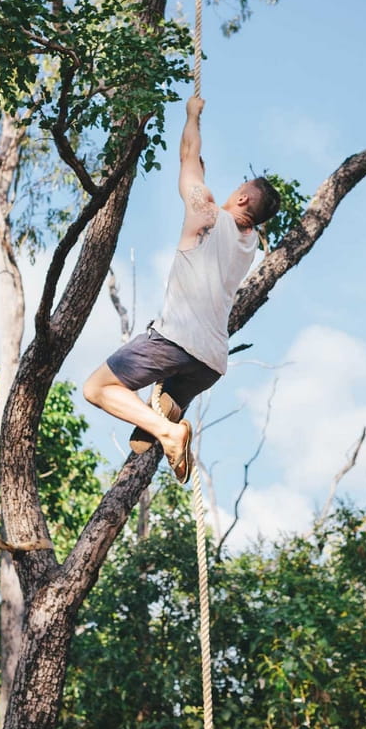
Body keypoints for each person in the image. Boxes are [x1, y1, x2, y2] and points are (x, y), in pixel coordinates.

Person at [83, 96, 280, 483]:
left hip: (175, 340)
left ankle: (168, 430)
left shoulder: (205, 213)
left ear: (241, 197)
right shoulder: (249, 243)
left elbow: (188, 155)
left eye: (239, 187)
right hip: (210, 363)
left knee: (97, 387)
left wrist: (192, 115)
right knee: (159, 404)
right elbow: (201, 173)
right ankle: (163, 413)